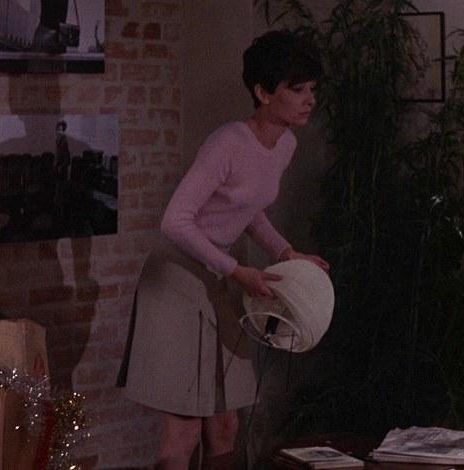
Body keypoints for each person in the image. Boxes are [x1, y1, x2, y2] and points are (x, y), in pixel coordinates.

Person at [118, 30, 329, 470]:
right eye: (297, 89)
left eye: (312, 89)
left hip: (220, 277)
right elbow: (175, 220)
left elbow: (248, 209)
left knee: (225, 424)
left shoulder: (285, 145)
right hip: (176, 281)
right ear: (263, 93)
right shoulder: (228, 142)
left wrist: (286, 254)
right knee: (183, 431)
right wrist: (236, 270)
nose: (310, 99)